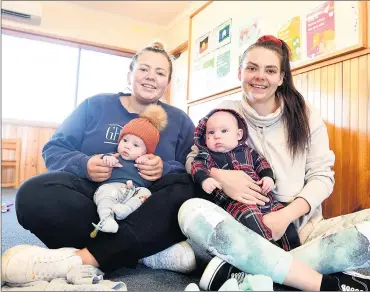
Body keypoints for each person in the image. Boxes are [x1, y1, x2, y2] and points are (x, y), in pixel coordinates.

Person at [182, 35, 370, 291]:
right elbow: (193, 158)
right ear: (239, 72)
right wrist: (221, 177)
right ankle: (324, 283)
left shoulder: (305, 113)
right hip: (243, 226)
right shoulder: (225, 110)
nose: (259, 76)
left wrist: (284, 217)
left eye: (270, 70)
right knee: (190, 211)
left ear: (281, 77)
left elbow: (323, 175)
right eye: (252, 68)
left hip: (304, 229)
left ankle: (243, 269)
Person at [1, 42, 210, 286]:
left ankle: (83, 258)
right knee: (31, 194)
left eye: (160, 72)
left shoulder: (180, 121)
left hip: (146, 203)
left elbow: (193, 167)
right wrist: (84, 163)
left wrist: (165, 168)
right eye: (144, 69)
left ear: (168, 82)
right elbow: (53, 149)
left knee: (188, 187)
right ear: (130, 74)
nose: (151, 77)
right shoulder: (95, 105)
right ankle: (146, 250)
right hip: (93, 200)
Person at [191, 108, 300, 250]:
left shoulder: (247, 151)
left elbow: (262, 164)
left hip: (264, 198)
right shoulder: (208, 155)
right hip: (236, 202)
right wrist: (204, 179)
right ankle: (269, 251)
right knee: (250, 218)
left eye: (224, 131)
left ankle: (295, 251)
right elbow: (197, 166)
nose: (217, 136)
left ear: (238, 134)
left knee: (284, 221)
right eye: (211, 132)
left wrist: (268, 178)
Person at [90, 104, 167, 236]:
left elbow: (151, 180)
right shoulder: (114, 156)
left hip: (132, 192)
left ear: (146, 151)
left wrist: (146, 161)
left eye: (136, 145)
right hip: (112, 188)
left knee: (146, 192)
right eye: (125, 140)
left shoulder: (146, 163)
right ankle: (106, 219)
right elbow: (100, 160)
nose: (127, 146)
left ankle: (125, 210)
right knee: (104, 194)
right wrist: (107, 160)